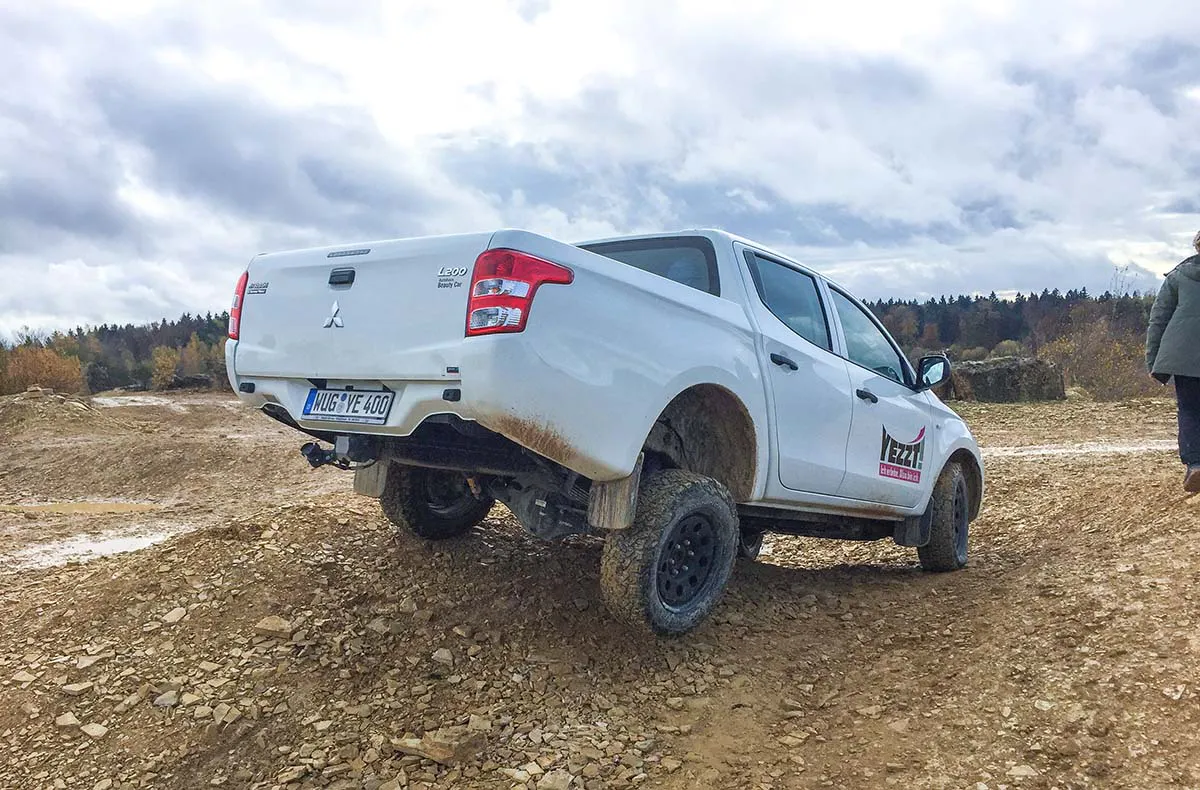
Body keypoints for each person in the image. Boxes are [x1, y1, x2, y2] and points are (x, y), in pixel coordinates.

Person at [1146, 230, 1200, 493]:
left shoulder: (1178, 277)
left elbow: (1158, 320)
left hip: (1185, 357)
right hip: (1185, 356)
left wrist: (1153, 360)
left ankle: (1196, 466)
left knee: (1190, 409)